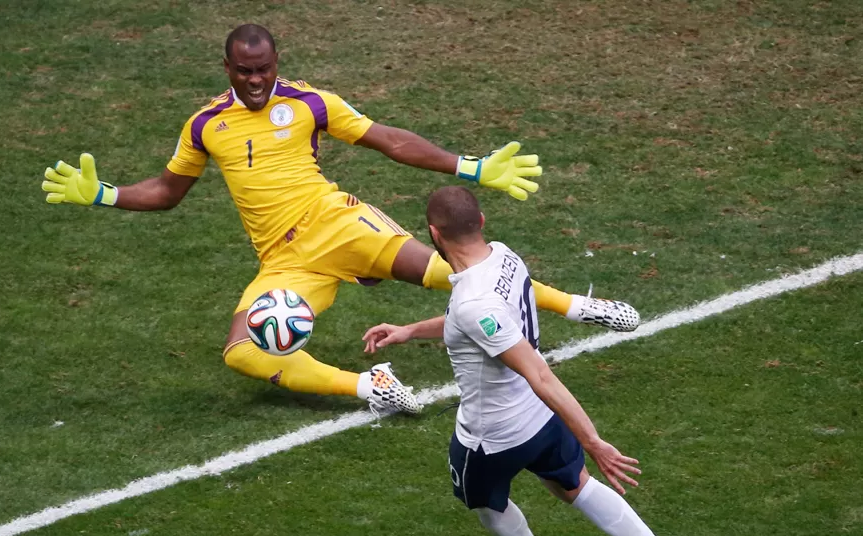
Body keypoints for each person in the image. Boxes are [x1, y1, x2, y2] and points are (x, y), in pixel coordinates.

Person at [39, 24, 640, 415]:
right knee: (243, 354)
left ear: (277, 63)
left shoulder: (309, 103)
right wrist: (104, 195)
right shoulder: (205, 125)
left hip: (339, 224)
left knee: (451, 274)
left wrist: (471, 168)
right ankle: (370, 387)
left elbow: (389, 141)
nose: (255, 81)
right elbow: (170, 191)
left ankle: (580, 308)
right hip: (284, 261)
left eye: (264, 70)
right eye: (244, 72)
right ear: (226, 67)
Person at [362, 187, 663, 536]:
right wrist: (410, 330)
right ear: (482, 222)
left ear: (433, 234)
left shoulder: (472, 302)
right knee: (575, 486)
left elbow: (537, 372)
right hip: (541, 420)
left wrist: (594, 442)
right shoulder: (505, 257)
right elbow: (478, 324)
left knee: (487, 505)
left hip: (491, 437)